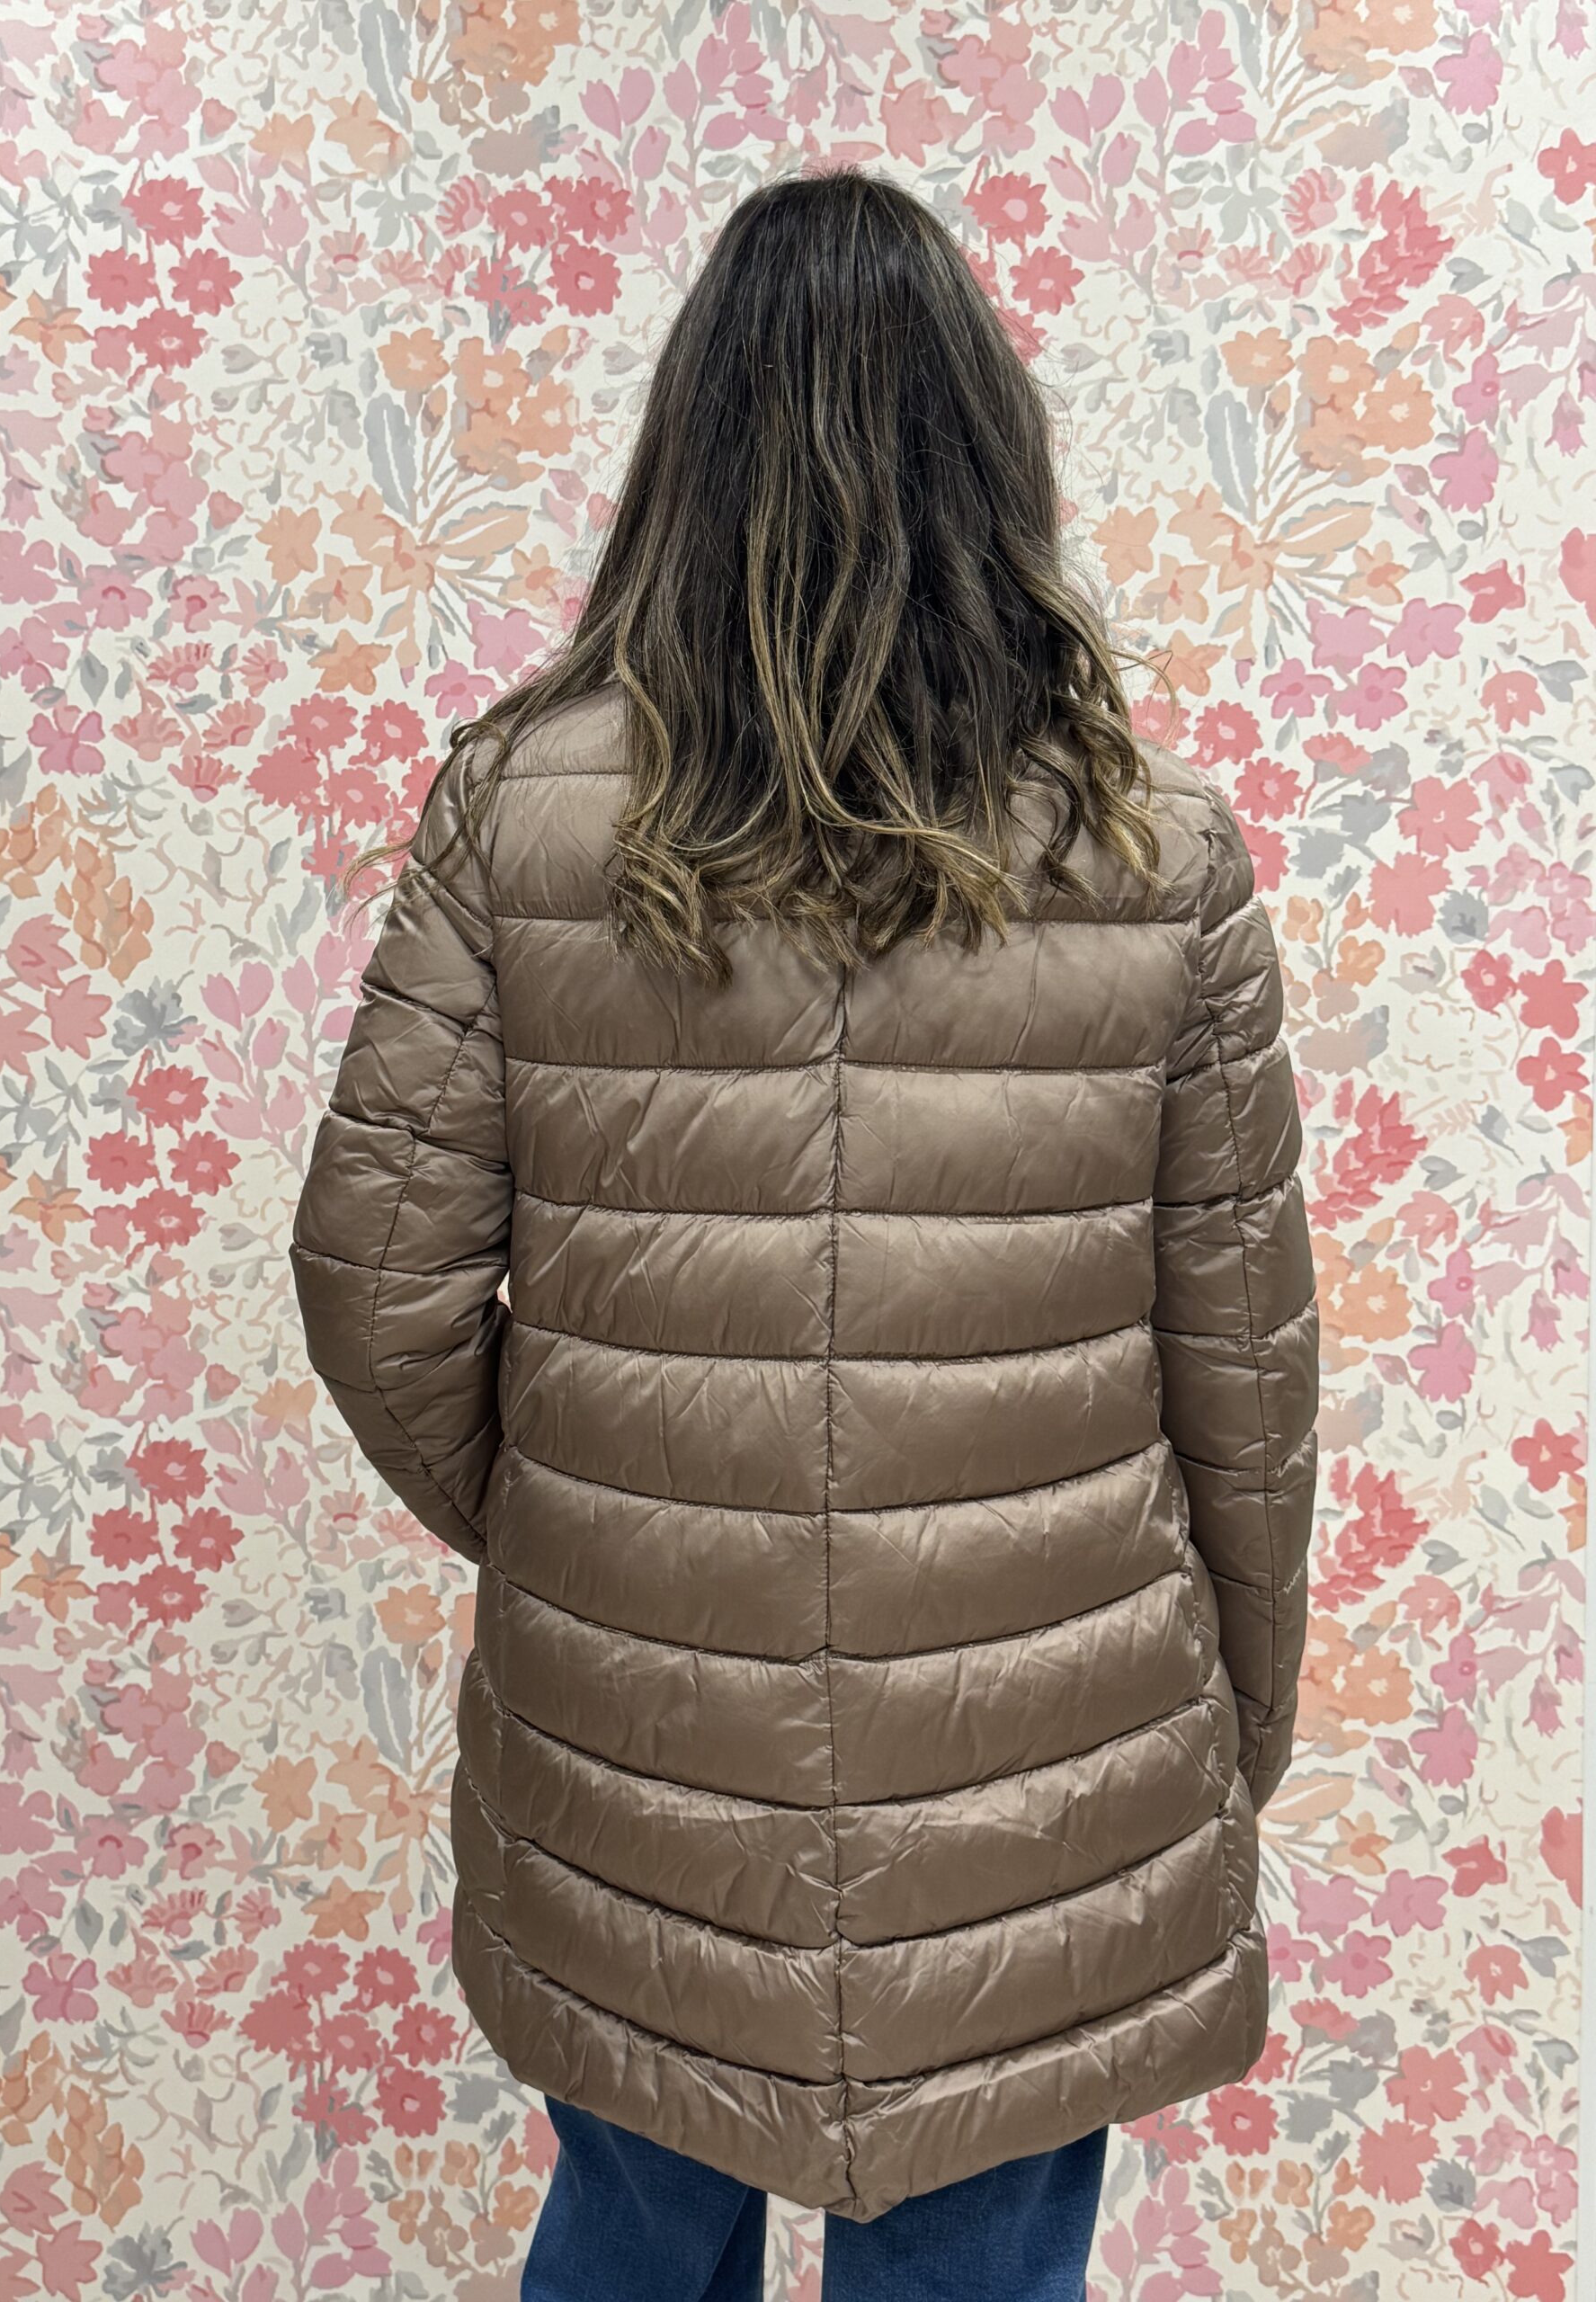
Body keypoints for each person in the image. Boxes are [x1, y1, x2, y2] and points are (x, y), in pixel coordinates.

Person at [289, 166, 1319, 2299]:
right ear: (991, 457)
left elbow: (373, 1278)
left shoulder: (520, 807)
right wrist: (1233, 1725)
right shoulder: (1157, 853)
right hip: (1041, 1773)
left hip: (641, 1747)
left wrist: (597, 1525)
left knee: (631, 2239)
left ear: (688, 451)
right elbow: (1247, 1378)